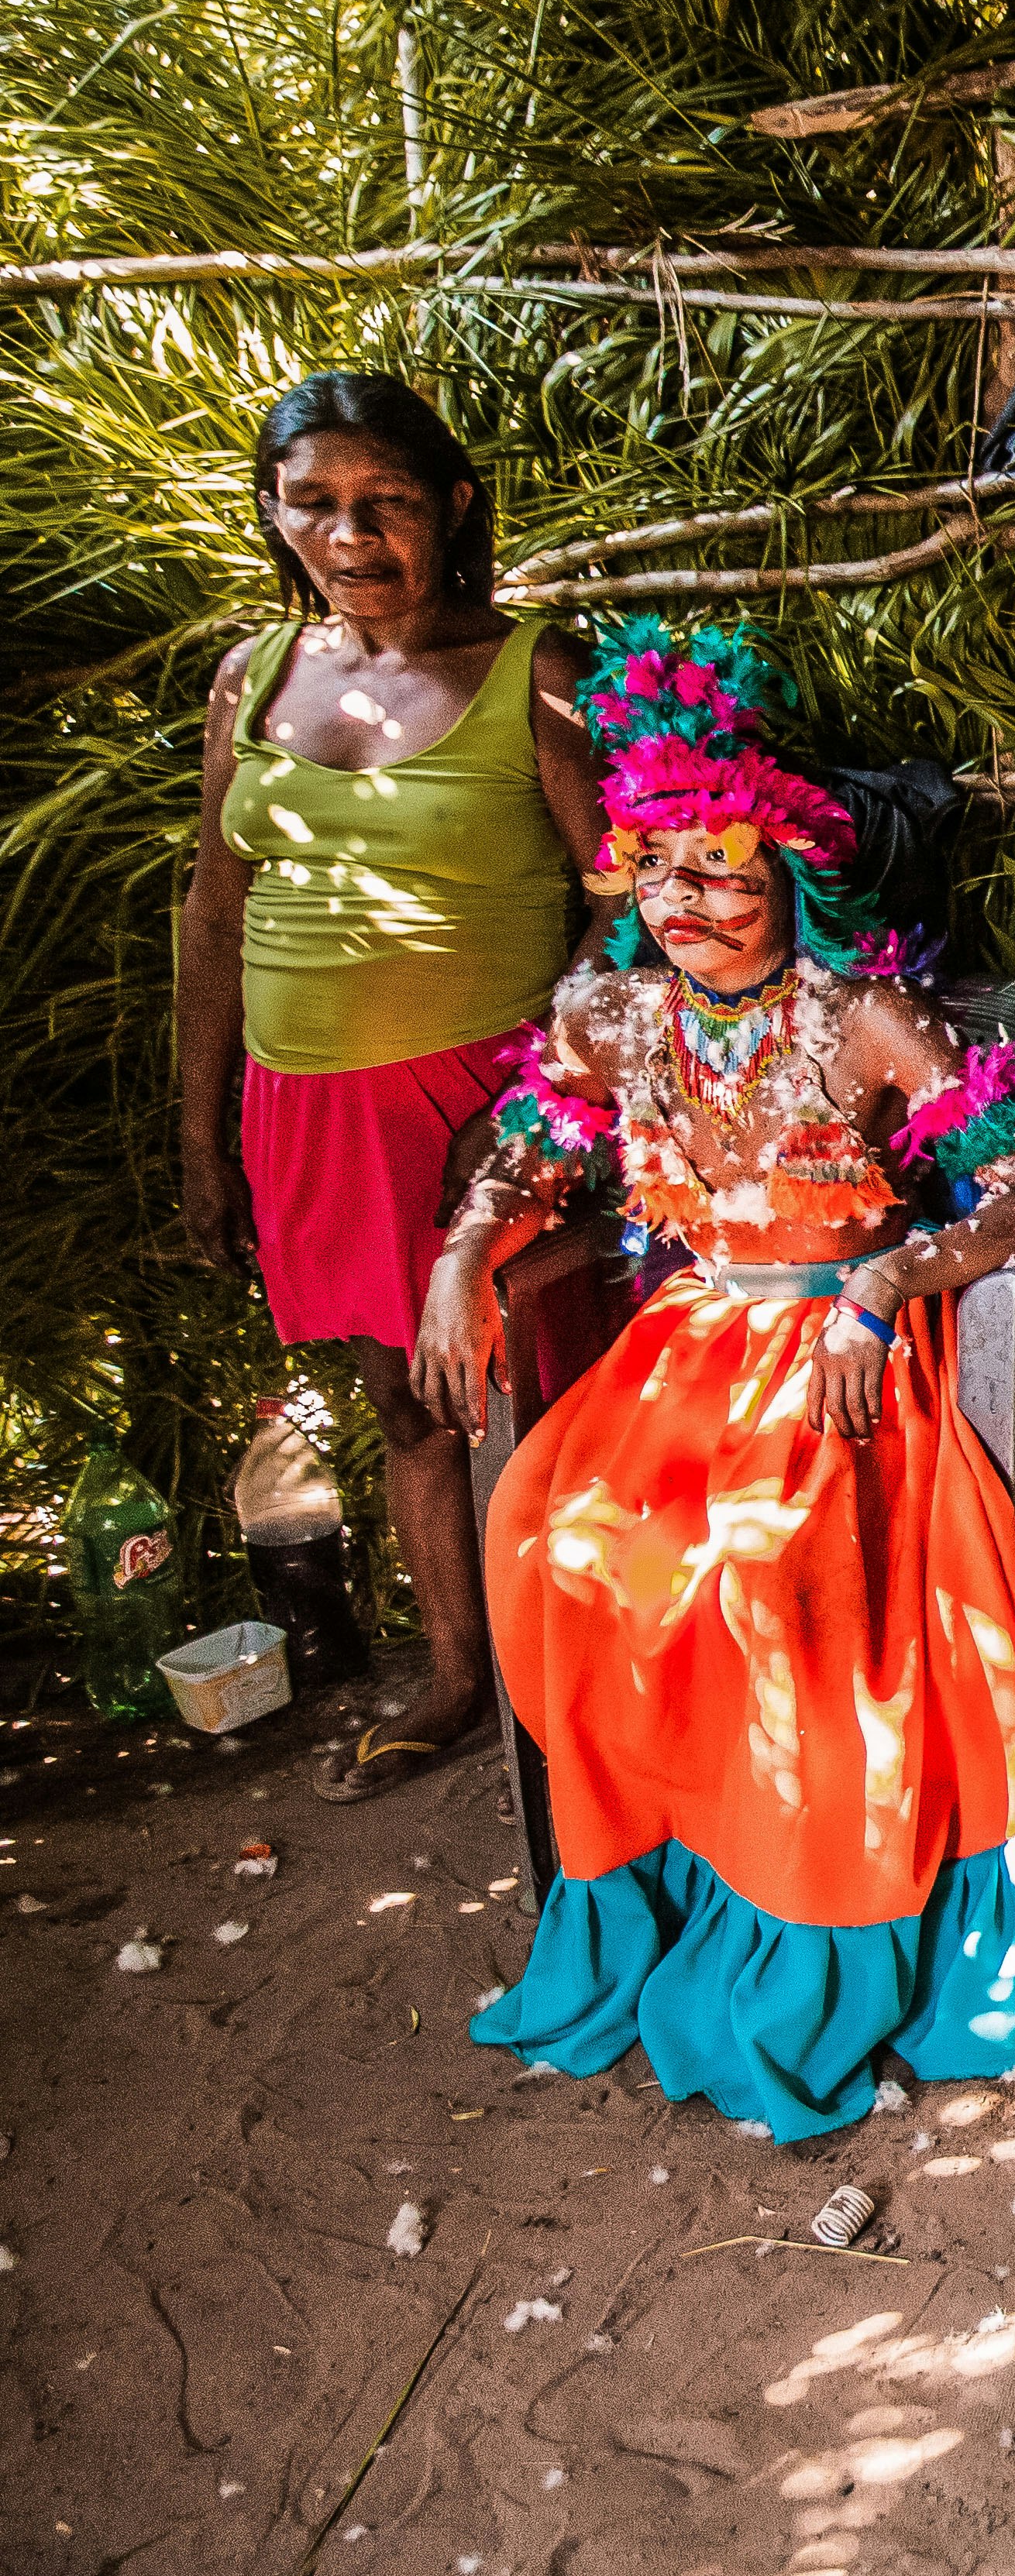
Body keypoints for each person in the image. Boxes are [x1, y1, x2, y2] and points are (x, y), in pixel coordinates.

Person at [427, 621, 1015, 2141]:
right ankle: (676, 1885)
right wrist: (462, 1256)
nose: (683, 900)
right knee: (556, 1549)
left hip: (845, 1359)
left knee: (769, 1585)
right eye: (653, 864)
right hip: (687, 1357)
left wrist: (887, 1283)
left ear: (790, 867)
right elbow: (536, 1150)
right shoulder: (615, 1016)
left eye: (717, 864)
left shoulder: (864, 1021)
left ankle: (821, 1928)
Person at [178, 373, 610, 1798]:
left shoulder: (536, 671)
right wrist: (202, 1136)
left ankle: (594, 1679)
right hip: (304, 1103)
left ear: (454, 508)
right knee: (403, 1401)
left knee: (546, 1390)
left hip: (482, 1105)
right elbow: (216, 915)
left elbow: (624, 905)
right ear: (274, 511)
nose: (349, 535)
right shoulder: (255, 675)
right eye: (314, 503)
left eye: (387, 503)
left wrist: (544, 1093)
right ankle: (454, 1674)